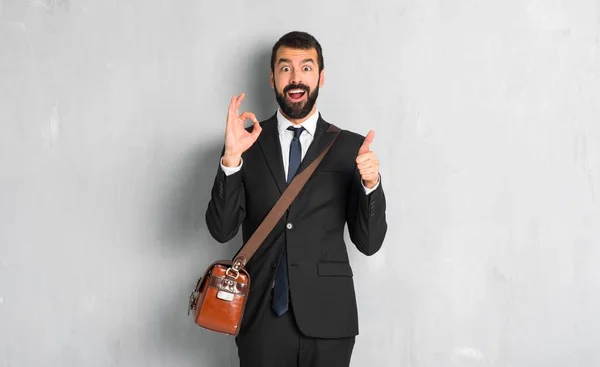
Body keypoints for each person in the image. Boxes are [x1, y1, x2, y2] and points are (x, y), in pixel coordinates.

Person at [205, 31, 388, 367]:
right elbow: (221, 230)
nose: (295, 78)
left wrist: (371, 183)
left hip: (330, 319)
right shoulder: (245, 144)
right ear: (272, 77)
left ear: (320, 76)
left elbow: (370, 242)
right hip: (260, 317)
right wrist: (231, 160)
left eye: (306, 67)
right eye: (285, 68)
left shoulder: (351, 148)